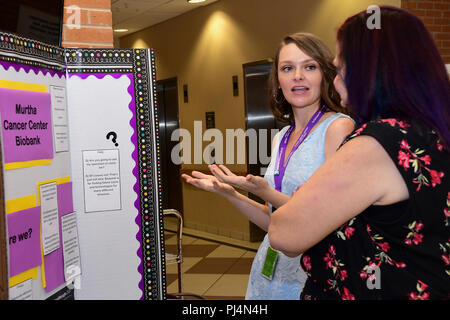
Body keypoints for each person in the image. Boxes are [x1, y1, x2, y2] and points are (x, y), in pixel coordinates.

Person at [268, 6, 450, 300]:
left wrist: (298, 197)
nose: (336, 80)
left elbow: (283, 233)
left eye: (340, 69)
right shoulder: (432, 133)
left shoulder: (376, 143)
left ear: (369, 70)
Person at [182, 32, 354, 299]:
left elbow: (331, 217)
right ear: (278, 82)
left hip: (311, 275)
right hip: (267, 273)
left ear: (325, 75)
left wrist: (265, 191)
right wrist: (229, 193)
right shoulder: (281, 137)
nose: (298, 75)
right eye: (287, 68)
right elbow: (275, 221)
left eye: (309, 66)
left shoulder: (338, 128)